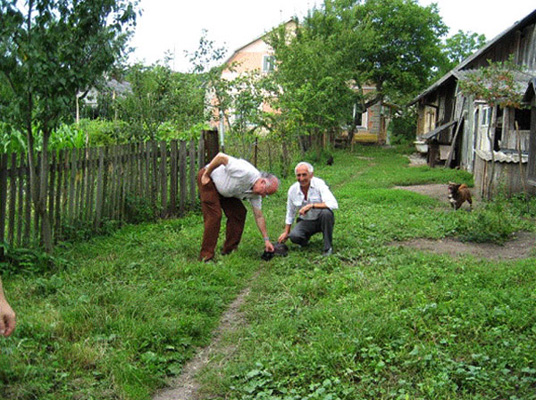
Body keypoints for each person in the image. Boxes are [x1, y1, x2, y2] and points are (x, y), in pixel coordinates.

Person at [198, 152, 279, 261]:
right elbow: (220, 157)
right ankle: (206, 256)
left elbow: (259, 216)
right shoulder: (246, 172)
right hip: (209, 179)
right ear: (263, 182)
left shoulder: (256, 194)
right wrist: (207, 174)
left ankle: (229, 250)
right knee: (214, 216)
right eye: (266, 192)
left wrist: (266, 240)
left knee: (239, 213)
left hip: (226, 191)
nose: (264, 196)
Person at [278, 161, 338, 256]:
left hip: (321, 219)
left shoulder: (319, 184)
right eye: (298, 175)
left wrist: (311, 205)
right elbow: (290, 212)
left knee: (327, 213)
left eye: (304, 175)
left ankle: (327, 247)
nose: (301, 178)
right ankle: (304, 240)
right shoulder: (292, 190)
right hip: (305, 221)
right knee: (294, 236)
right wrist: (286, 232)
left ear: (311, 175)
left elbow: (333, 203)